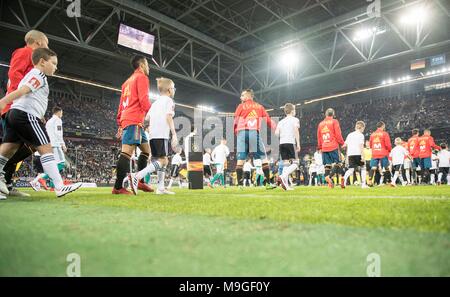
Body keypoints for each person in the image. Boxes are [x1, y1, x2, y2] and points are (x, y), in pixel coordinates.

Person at [0, 48, 82, 197]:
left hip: (14, 113)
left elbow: (27, 94)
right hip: (26, 115)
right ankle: (59, 186)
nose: (56, 67)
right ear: (42, 62)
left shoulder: (29, 75)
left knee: (8, 149)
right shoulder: (39, 75)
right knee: (46, 148)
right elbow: (24, 90)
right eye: (54, 63)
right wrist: (4, 101)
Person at [0, 30, 49, 198]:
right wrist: (15, 103)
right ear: (39, 42)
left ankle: (6, 182)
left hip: (22, 108)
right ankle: (3, 175)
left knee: (16, 146)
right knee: (14, 145)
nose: (47, 48)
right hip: (17, 108)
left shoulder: (30, 57)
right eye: (46, 44)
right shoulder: (26, 52)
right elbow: (15, 76)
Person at [131, 77, 178, 195]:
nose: (174, 90)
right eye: (173, 88)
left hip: (153, 135)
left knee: (164, 160)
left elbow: (146, 118)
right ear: (169, 90)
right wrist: (174, 133)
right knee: (163, 161)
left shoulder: (155, 103)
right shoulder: (169, 101)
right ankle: (137, 176)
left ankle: (161, 187)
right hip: (161, 134)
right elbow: (169, 117)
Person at [113, 55, 152, 195]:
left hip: (132, 119)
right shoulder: (141, 77)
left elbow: (121, 104)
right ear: (141, 65)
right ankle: (117, 187)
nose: (148, 67)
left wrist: (119, 121)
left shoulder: (126, 83)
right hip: (134, 119)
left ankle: (140, 182)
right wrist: (153, 113)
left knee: (146, 151)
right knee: (127, 153)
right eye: (147, 64)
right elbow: (144, 100)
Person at [233, 89, 276, 189]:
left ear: (248, 96)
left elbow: (235, 120)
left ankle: (239, 186)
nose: (241, 97)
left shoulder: (240, 106)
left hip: (241, 133)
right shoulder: (260, 107)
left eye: (242, 95)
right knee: (263, 158)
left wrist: (236, 132)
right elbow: (268, 120)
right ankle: (268, 183)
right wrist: (275, 128)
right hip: (253, 132)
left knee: (240, 159)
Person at [31, 106, 66, 190]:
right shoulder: (58, 120)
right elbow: (58, 133)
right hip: (56, 144)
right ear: (58, 112)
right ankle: (41, 178)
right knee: (61, 163)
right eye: (61, 112)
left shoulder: (49, 122)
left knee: (53, 165)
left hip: (48, 145)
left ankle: (50, 185)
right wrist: (62, 144)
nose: (62, 114)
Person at [316, 108, 345, 188]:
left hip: (324, 147)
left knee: (327, 165)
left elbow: (319, 137)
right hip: (333, 146)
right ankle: (337, 177)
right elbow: (338, 134)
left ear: (325, 114)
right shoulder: (334, 122)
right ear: (333, 114)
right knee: (338, 163)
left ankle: (327, 179)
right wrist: (342, 143)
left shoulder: (320, 124)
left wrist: (320, 147)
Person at [275, 103, 300, 191]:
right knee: (296, 164)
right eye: (295, 110)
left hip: (282, 143)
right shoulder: (295, 119)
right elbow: (296, 131)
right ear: (292, 111)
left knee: (286, 164)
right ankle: (282, 176)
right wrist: (298, 143)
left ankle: (286, 185)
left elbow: (276, 133)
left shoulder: (281, 121)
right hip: (290, 142)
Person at [342, 121, 367, 188]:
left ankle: (344, 179)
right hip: (358, 153)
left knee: (351, 169)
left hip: (350, 154)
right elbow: (361, 146)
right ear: (362, 127)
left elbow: (344, 145)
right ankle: (363, 184)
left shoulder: (350, 135)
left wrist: (347, 156)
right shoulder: (361, 135)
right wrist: (363, 156)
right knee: (363, 168)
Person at [368, 121, 392, 186]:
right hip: (383, 153)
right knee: (386, 167)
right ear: (383, 126)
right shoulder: (385, 134)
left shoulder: (372, 134)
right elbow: (388, 144)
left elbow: (370, 145)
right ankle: (389, 182)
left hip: (375, 153)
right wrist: (389, 150)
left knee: (373, 167)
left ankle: (370, 181)